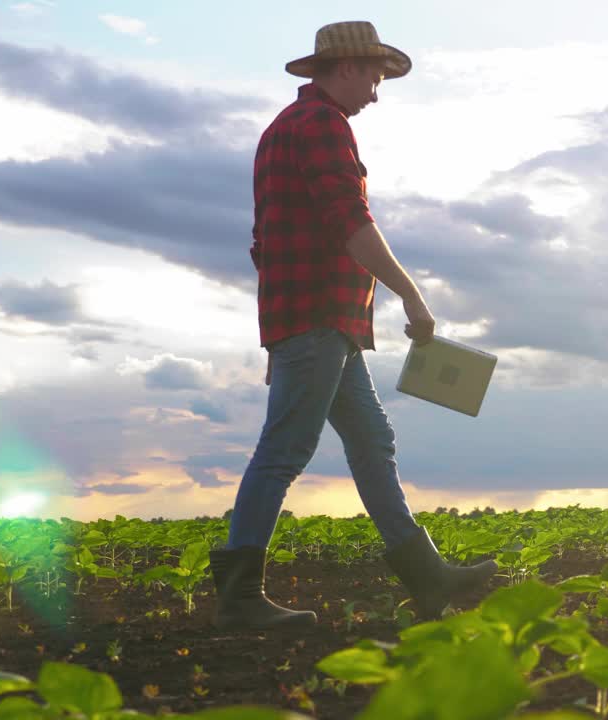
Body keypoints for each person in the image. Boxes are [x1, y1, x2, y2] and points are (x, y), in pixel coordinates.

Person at [208, 21, 497, 631]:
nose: (376, 90)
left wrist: (277, 330)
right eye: (373, 75)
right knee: (284, 450)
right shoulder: (320, 126)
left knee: (371, 442)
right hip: (317, 316)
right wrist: (411, 295)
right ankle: (237, 598)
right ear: (342, 68)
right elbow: (348, 218)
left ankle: (428, 578)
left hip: (318, 320)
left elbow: (267, 242)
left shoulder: (282, 130)